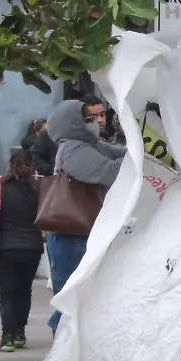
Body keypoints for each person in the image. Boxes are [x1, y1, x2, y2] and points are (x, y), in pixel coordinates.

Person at [44, 99, 126, 333]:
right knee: (71, 302)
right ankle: (61, 352)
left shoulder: (91, 145)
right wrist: (141, 158)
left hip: (84, 233)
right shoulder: (73, 150)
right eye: (88, 118)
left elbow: (121, 154)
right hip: (71, 236)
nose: (95, 122)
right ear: (71, 123)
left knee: (85, 301)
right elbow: (110, 171)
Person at [0, 149, 44, 352]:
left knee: (7, 293)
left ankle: (7, 338)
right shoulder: (39, 187)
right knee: (25, 291)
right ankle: (19, 333)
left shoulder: (0, 185)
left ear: (10, 164)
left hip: (6, 246)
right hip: (32, 247)